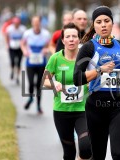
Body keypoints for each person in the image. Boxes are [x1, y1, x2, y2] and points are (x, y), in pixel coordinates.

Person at [73, 6, 120, 160]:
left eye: (106, 21)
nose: (103, 25)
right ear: (93, 25)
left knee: (119, 154)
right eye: (99, 22)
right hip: (96, 107)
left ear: (112, 24)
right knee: (98, 155)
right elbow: (77, 79)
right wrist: (99, 70)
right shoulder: (88, 48)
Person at [43, 23, 91, 160]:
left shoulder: (86, 58)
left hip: (83, 110)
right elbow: (45, 80)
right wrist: (55, 83)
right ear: (63, 40)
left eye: (74, 36)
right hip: (61, 111)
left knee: (86, 148)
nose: (71, 39)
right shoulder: (56, 59)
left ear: (79, 39)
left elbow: (95, 76)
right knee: (69, 152)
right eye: (68, 36)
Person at [21, 15, 50, 114]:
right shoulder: (27, 33)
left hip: (41, 63)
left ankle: (38, 106)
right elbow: (22, 44)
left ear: (40, 23)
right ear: (32, 23)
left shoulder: (45, 34)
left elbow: (48, 45)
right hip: (30, 62)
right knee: (30, 83)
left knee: (39, 85)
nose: (36, 24)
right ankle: (30, 98)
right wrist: (24, 51)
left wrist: (45, 49)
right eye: (34, 22)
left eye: (37, 22)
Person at [5, 16, 26, 84]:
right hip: (12, 47)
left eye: (17, 23)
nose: (16, 25)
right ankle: (12, 71)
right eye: (15, 23)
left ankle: (17, 77)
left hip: (20, 48)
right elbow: (6, 36)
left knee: (19, 63)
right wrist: (7, 44)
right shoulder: (10, 28)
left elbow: (25, 38)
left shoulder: (23, 29)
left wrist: (24, 46)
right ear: (13, 23)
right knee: (12, 61)